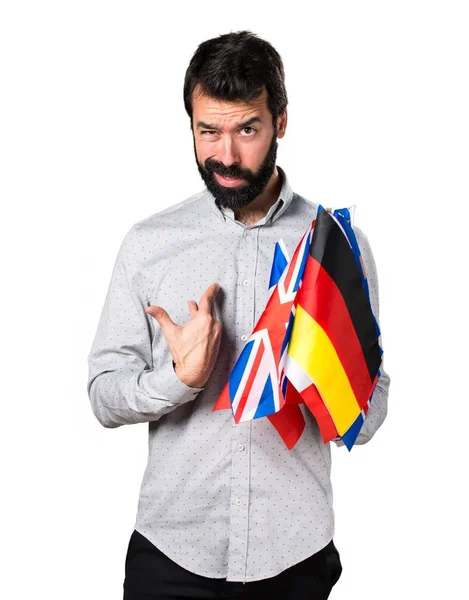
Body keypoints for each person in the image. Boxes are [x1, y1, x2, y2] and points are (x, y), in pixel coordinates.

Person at [87, 30, 390, 600]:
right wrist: (178, 380)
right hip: (171, 554)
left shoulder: (335, 247)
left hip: (294, 556)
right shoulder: (150, 244)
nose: (225, 155)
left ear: (280, 122)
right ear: (191, 126)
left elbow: (370, 415)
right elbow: (103, 396)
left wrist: (321, 374)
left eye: (246, 129)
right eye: (209, 131)